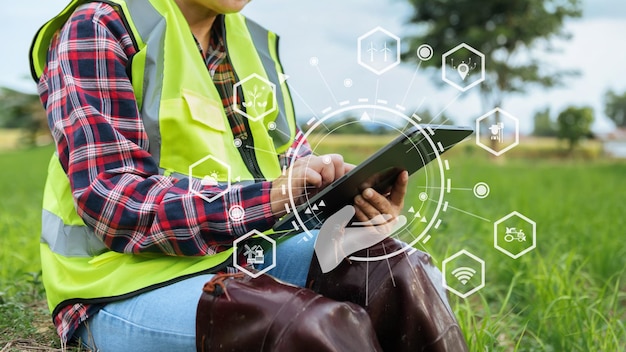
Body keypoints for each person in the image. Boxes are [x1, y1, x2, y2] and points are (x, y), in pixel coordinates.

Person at [30, 0, 468, 351]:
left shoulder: (253, 45)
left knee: (397, 270)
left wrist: (340, 200)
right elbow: (113, 202)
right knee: (305, 327)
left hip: (241, 258)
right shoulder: (99, 26)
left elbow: (291, 165)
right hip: (123, 286)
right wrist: (274, 197)